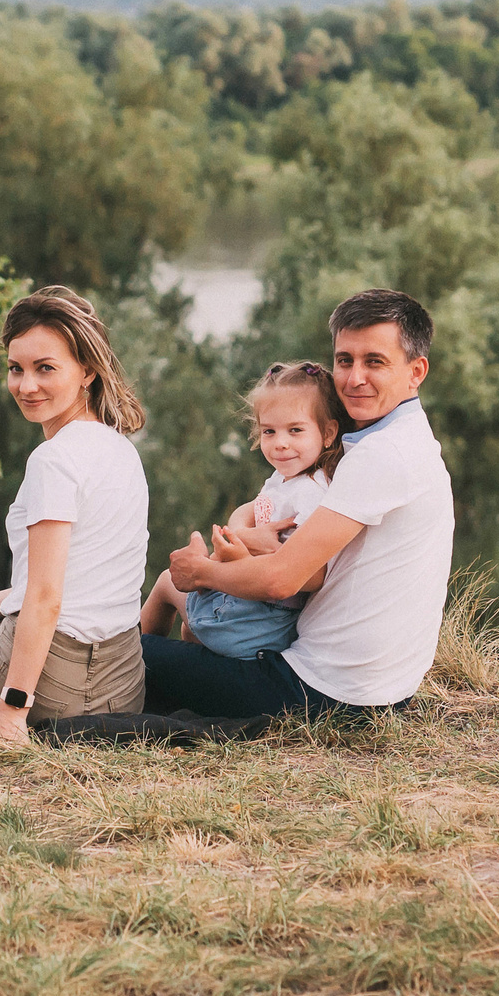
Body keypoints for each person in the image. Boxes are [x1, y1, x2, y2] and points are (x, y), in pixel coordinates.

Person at [141, 288, 453, 720]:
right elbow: (262, 515)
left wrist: (203, 572)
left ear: (416, 371)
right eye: (344, 360)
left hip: (319, 692)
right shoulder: (400, 441)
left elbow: (282, 581)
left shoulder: (383, 455)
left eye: (374, 362)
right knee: (167, 646)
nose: (353, 378)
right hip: (369, 688)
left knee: (120, 652)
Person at [0, 287, 149, 744]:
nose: (26, 385)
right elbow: (73, 584)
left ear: (88, 372)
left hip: (49, 694)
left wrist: (12, 713)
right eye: (16, 369)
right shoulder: (122, 450)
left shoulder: (53, 460)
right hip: (122, 692)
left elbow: (45, 598)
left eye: (45, 368)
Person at [138, 360, 346, 657]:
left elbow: (312, 575)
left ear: (327, 433)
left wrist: (245, 553)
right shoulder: (285, 478)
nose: (281, 444)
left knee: (167, 584)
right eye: (269, 431)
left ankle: (136, 668)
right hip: (250, 610)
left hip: (259, 621)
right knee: (189, 626)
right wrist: (241, 535)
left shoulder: (312, 492)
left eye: (295, 430)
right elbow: (247, 511)